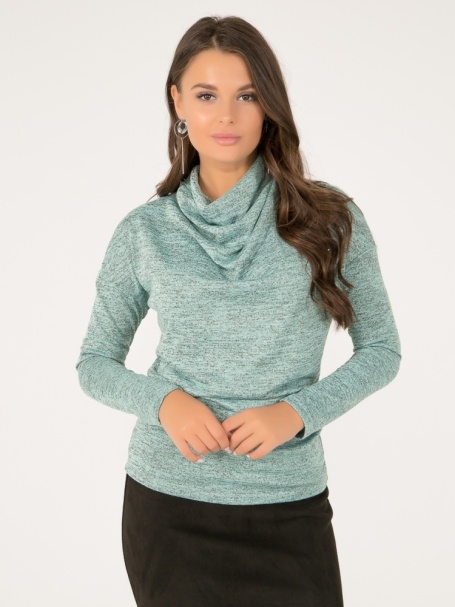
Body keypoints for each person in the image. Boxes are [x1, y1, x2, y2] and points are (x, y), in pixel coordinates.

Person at [75, 15, 401, 607]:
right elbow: (94, 363)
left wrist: (295, 413)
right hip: (167, 509)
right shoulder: (144, 232)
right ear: (177, 102)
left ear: (269, 105)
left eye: (246, 96)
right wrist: (164, 402)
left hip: (288, 507)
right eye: (207, 96)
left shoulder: (329, 220)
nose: (226, 116)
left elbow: (382, 351)